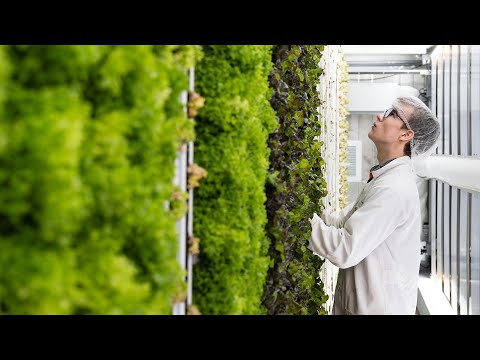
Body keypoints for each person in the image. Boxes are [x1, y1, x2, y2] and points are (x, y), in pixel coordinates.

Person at [308, 96, 440, 315]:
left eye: (392, 114)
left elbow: (345, 249)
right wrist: (311, 209)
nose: (380, 116)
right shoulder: (386, 177)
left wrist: (298, 220)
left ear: (406, 135)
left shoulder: (394, 189)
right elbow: (344, 223)